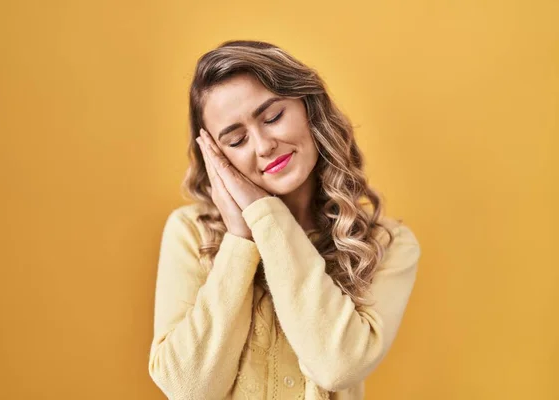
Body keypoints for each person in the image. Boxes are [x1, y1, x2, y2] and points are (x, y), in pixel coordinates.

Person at [148, 40, 421, 400]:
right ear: (215, 157)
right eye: (236, 139)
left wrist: (264, 214)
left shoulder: (387, 244)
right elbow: (188, 388)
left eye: (273, 117)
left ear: (308, 108)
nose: (263, 146)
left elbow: (337, 365)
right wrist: (240, 239)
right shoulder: (189, 231)